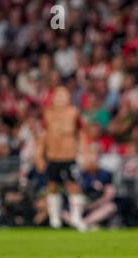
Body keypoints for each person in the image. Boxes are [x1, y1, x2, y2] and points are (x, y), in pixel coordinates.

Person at [35, 86, 87, 230]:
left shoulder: (73, 113)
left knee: (73, 186)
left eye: (64, 95)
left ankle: (76, 217)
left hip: (69, 155)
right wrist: (38, 155)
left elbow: (81, 133)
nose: (61, 98)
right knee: (52, 186)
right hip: (52, 156)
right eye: (58, 95)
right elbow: (43, 136)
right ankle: (54, 219)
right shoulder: (47, 114)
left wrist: (85, 152)